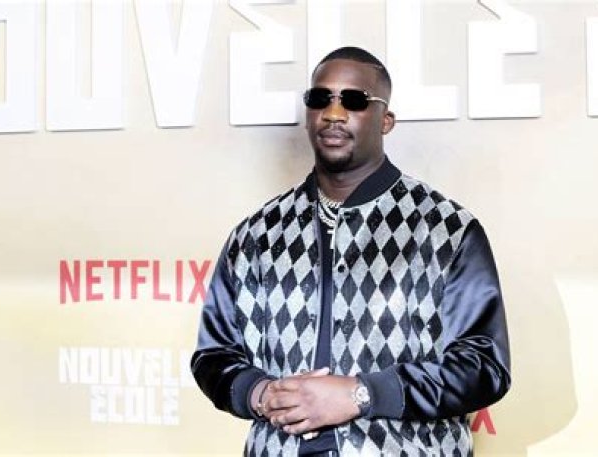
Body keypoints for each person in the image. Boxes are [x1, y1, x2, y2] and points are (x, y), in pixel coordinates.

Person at [191, 46, 510, 456]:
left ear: (386, 120)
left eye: (355, 100)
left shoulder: (445, 231)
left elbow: (484, 368)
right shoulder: (257, 235)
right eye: (320, 98)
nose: (334, 113)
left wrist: (362, 394)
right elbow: (214, 355)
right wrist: (260, 393)